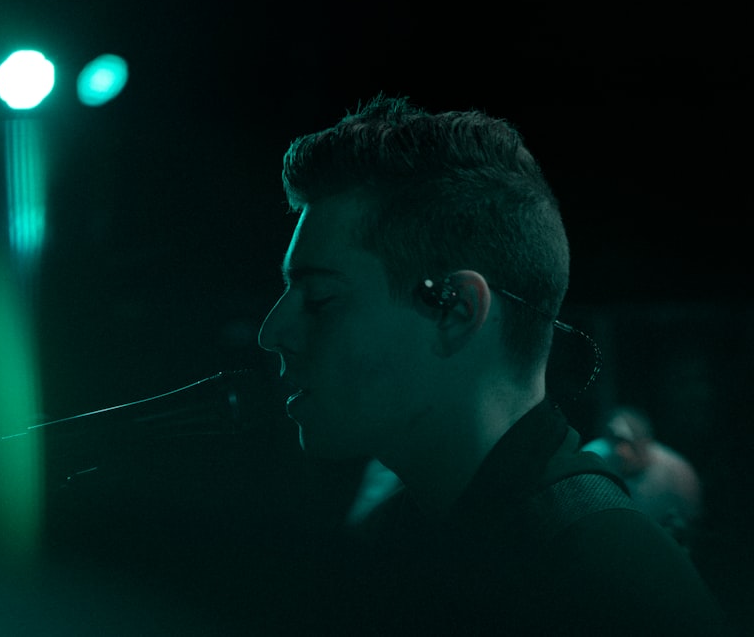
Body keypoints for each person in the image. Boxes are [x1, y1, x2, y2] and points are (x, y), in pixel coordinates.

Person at [256, 96, 728, 635]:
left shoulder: (607, 584)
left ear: (456, 310)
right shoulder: (417, 538)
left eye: (318, 298)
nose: (273, 332)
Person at [583, 405, 704, 548]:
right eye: (615, 441)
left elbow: (692, 523)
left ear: (646, 442)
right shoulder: (592, 459)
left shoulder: (678, 474)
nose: (621, 451)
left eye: (629, 443)